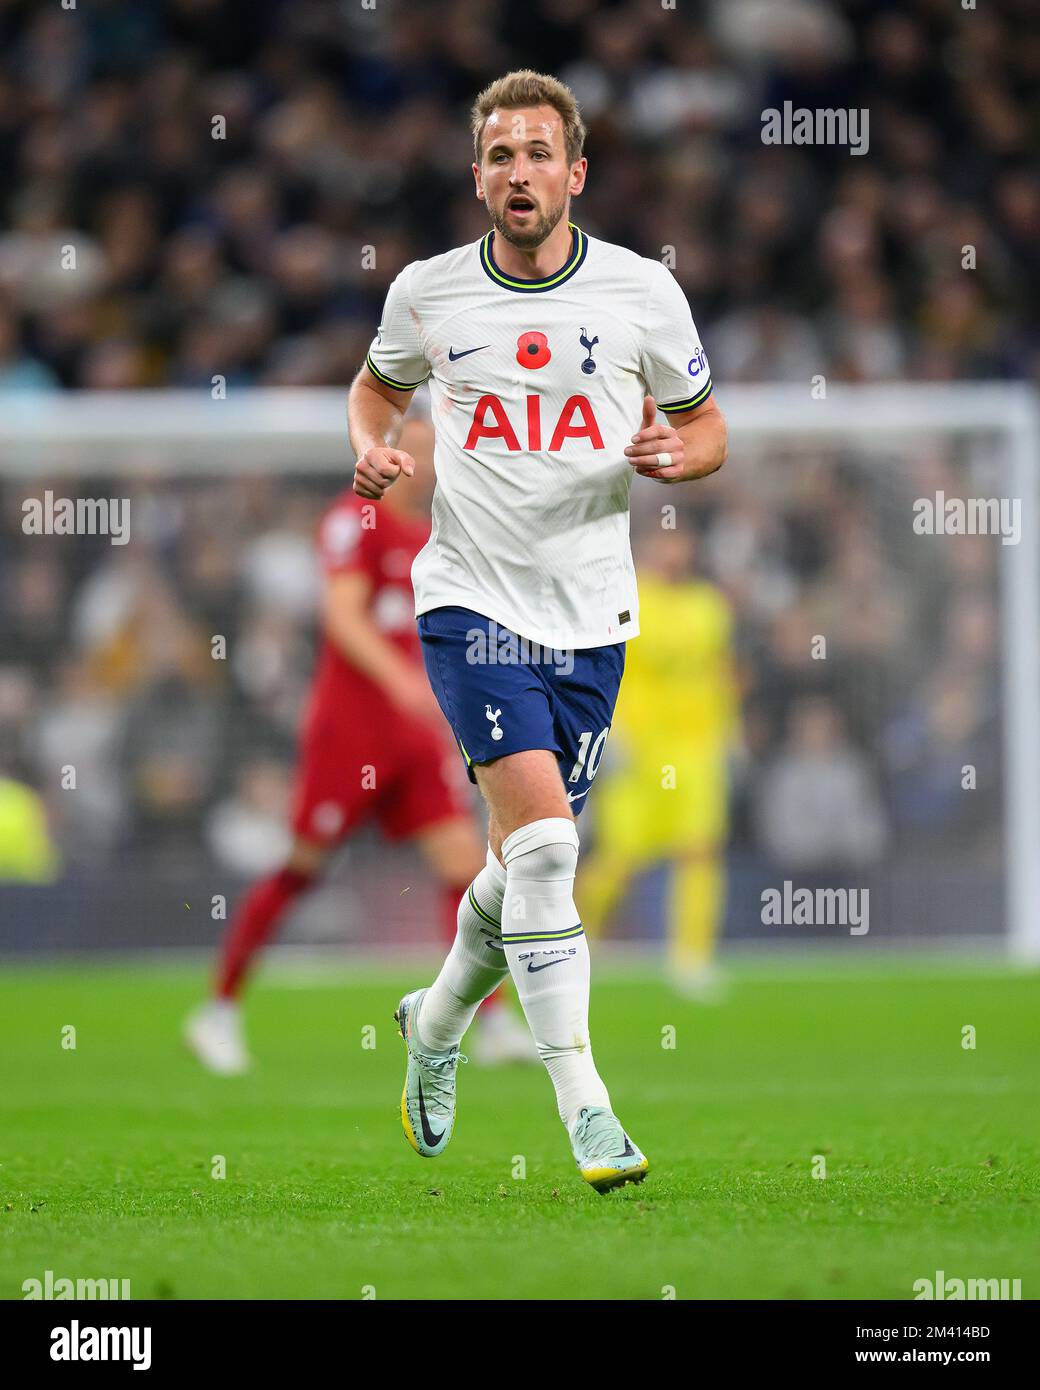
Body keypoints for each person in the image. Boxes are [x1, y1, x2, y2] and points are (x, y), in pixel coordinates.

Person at [348, 70, 726, 1192]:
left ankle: (432, 1021)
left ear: (575, 173)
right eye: (499, 155)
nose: (519, 173)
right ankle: (587, 1108)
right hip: (469, 603)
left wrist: (678, 457)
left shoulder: (640, 294)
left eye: (538, 154)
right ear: (478, 178)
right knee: (552, 850)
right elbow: (375, 392)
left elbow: (707, 428)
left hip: (592, 620)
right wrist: (370, 450)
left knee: (521, 869)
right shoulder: (425, 293)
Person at [186, 416, 534, 1074]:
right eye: (420, 450)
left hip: (414, 734)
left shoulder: (437, 534)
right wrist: (404, 680)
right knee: (302, 867)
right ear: (392, 453)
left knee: (464, 870)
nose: (429, 463)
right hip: (351, 730)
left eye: (438, 451)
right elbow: (341, 616)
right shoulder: (356, 518)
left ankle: (491, 1023)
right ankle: (218, 1010)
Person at [575, 527, 740, 1001]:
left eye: (681, 541)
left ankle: (692, 958)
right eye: (665, 541)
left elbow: (720, 670)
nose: (675, 550)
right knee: (622, 856)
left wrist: (730, 733)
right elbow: (606, 662)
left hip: (697, 747)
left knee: (700, 849)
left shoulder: (709, 605)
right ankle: (580, 939)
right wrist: (611, 730)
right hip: (640, 747)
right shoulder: (628, 595)